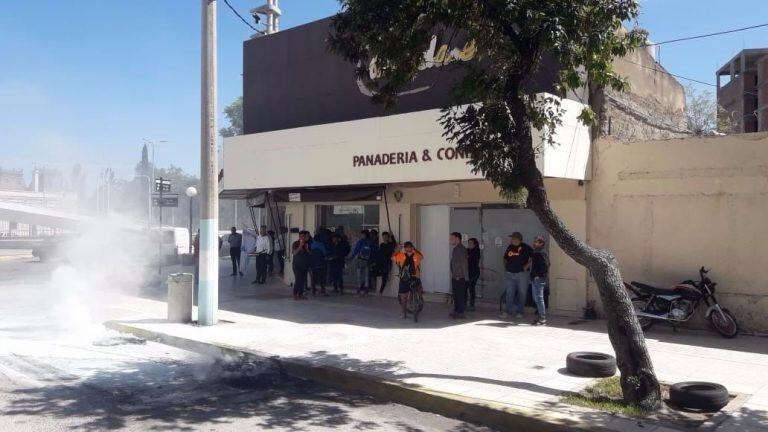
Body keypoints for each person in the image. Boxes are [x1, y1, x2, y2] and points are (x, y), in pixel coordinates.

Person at [501, 232, 533, 320]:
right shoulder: (510, 247)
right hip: (510, 274)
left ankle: (520, 312)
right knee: (509, 293)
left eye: (513, 238)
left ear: (518, 239)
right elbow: (505, 258)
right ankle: (508, 311)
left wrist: (525, 267)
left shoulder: (526, 247)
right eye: (511, 238)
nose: (511, 240)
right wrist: (506, 267)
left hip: (522, 274)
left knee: (522, 293)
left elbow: (533, 258)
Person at [392, 242, 424, 319]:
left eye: (409, 247)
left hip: (409, 278)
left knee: (406, 296)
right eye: (408, 247)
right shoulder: (409, 255)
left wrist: (398, 249)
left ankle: (405, 312)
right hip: (409, 278)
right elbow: (393, 257)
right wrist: (398, 249)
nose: (408, 248)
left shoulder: (408, 255)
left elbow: (392, 257)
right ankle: (405, 312)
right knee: (406, 295)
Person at [530, 236, 550, 325]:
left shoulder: (542, 252)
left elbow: (547, 265)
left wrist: (538, 275)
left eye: (536, 242)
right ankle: (540, 316)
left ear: (541, 243)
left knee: (539, 298)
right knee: (536, 298)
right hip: (535, 278)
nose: (534, 243)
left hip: (539, 279)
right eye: (534, 241)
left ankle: (542, 318)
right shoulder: (536, 252)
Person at [449, 232, 469, 319]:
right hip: (455, 276)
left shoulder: (460, 249)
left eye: (452, 238)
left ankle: (461, 312)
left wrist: (465, 277)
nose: (450, 240)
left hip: (459, 277)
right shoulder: (456, 248)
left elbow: (464, 264)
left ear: (457, 239)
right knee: (456, 295)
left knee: (460, 295)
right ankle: (456, 311)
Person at [348, 230, 373, 296]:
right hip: (367, 261)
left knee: (359, 275)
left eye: (362, 234)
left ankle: (359, 290)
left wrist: (351, 257)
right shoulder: (370, 242)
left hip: (360, 260)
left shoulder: (360, 242)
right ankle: (366, 290)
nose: (361, 235)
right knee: (366, 276)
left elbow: (356, 250)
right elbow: (373, 252)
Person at [291, 231, 311, 300]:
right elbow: (294, 253)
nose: (303, 238)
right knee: (298, 279)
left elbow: (310, 254)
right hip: (297, 265)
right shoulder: (295, 243)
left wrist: (307, 248)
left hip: (305, 265)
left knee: (303, 280)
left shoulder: (307, 244)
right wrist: (300, 246)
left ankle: (300, 294)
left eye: (304, 236)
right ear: (299, 237)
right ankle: (295, 294)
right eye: (301, 236)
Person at [466, 238, 481, 312]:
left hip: (474, 273)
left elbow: (471, 259)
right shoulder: (467, 250)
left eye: (471, 243)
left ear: (475, 244)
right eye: (468, 243)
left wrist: (468, 257)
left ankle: (472, 305)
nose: (469, 244)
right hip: (467, 273)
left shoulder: (476, 251)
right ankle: (464, 304)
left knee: (471, 289)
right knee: (465, 289)